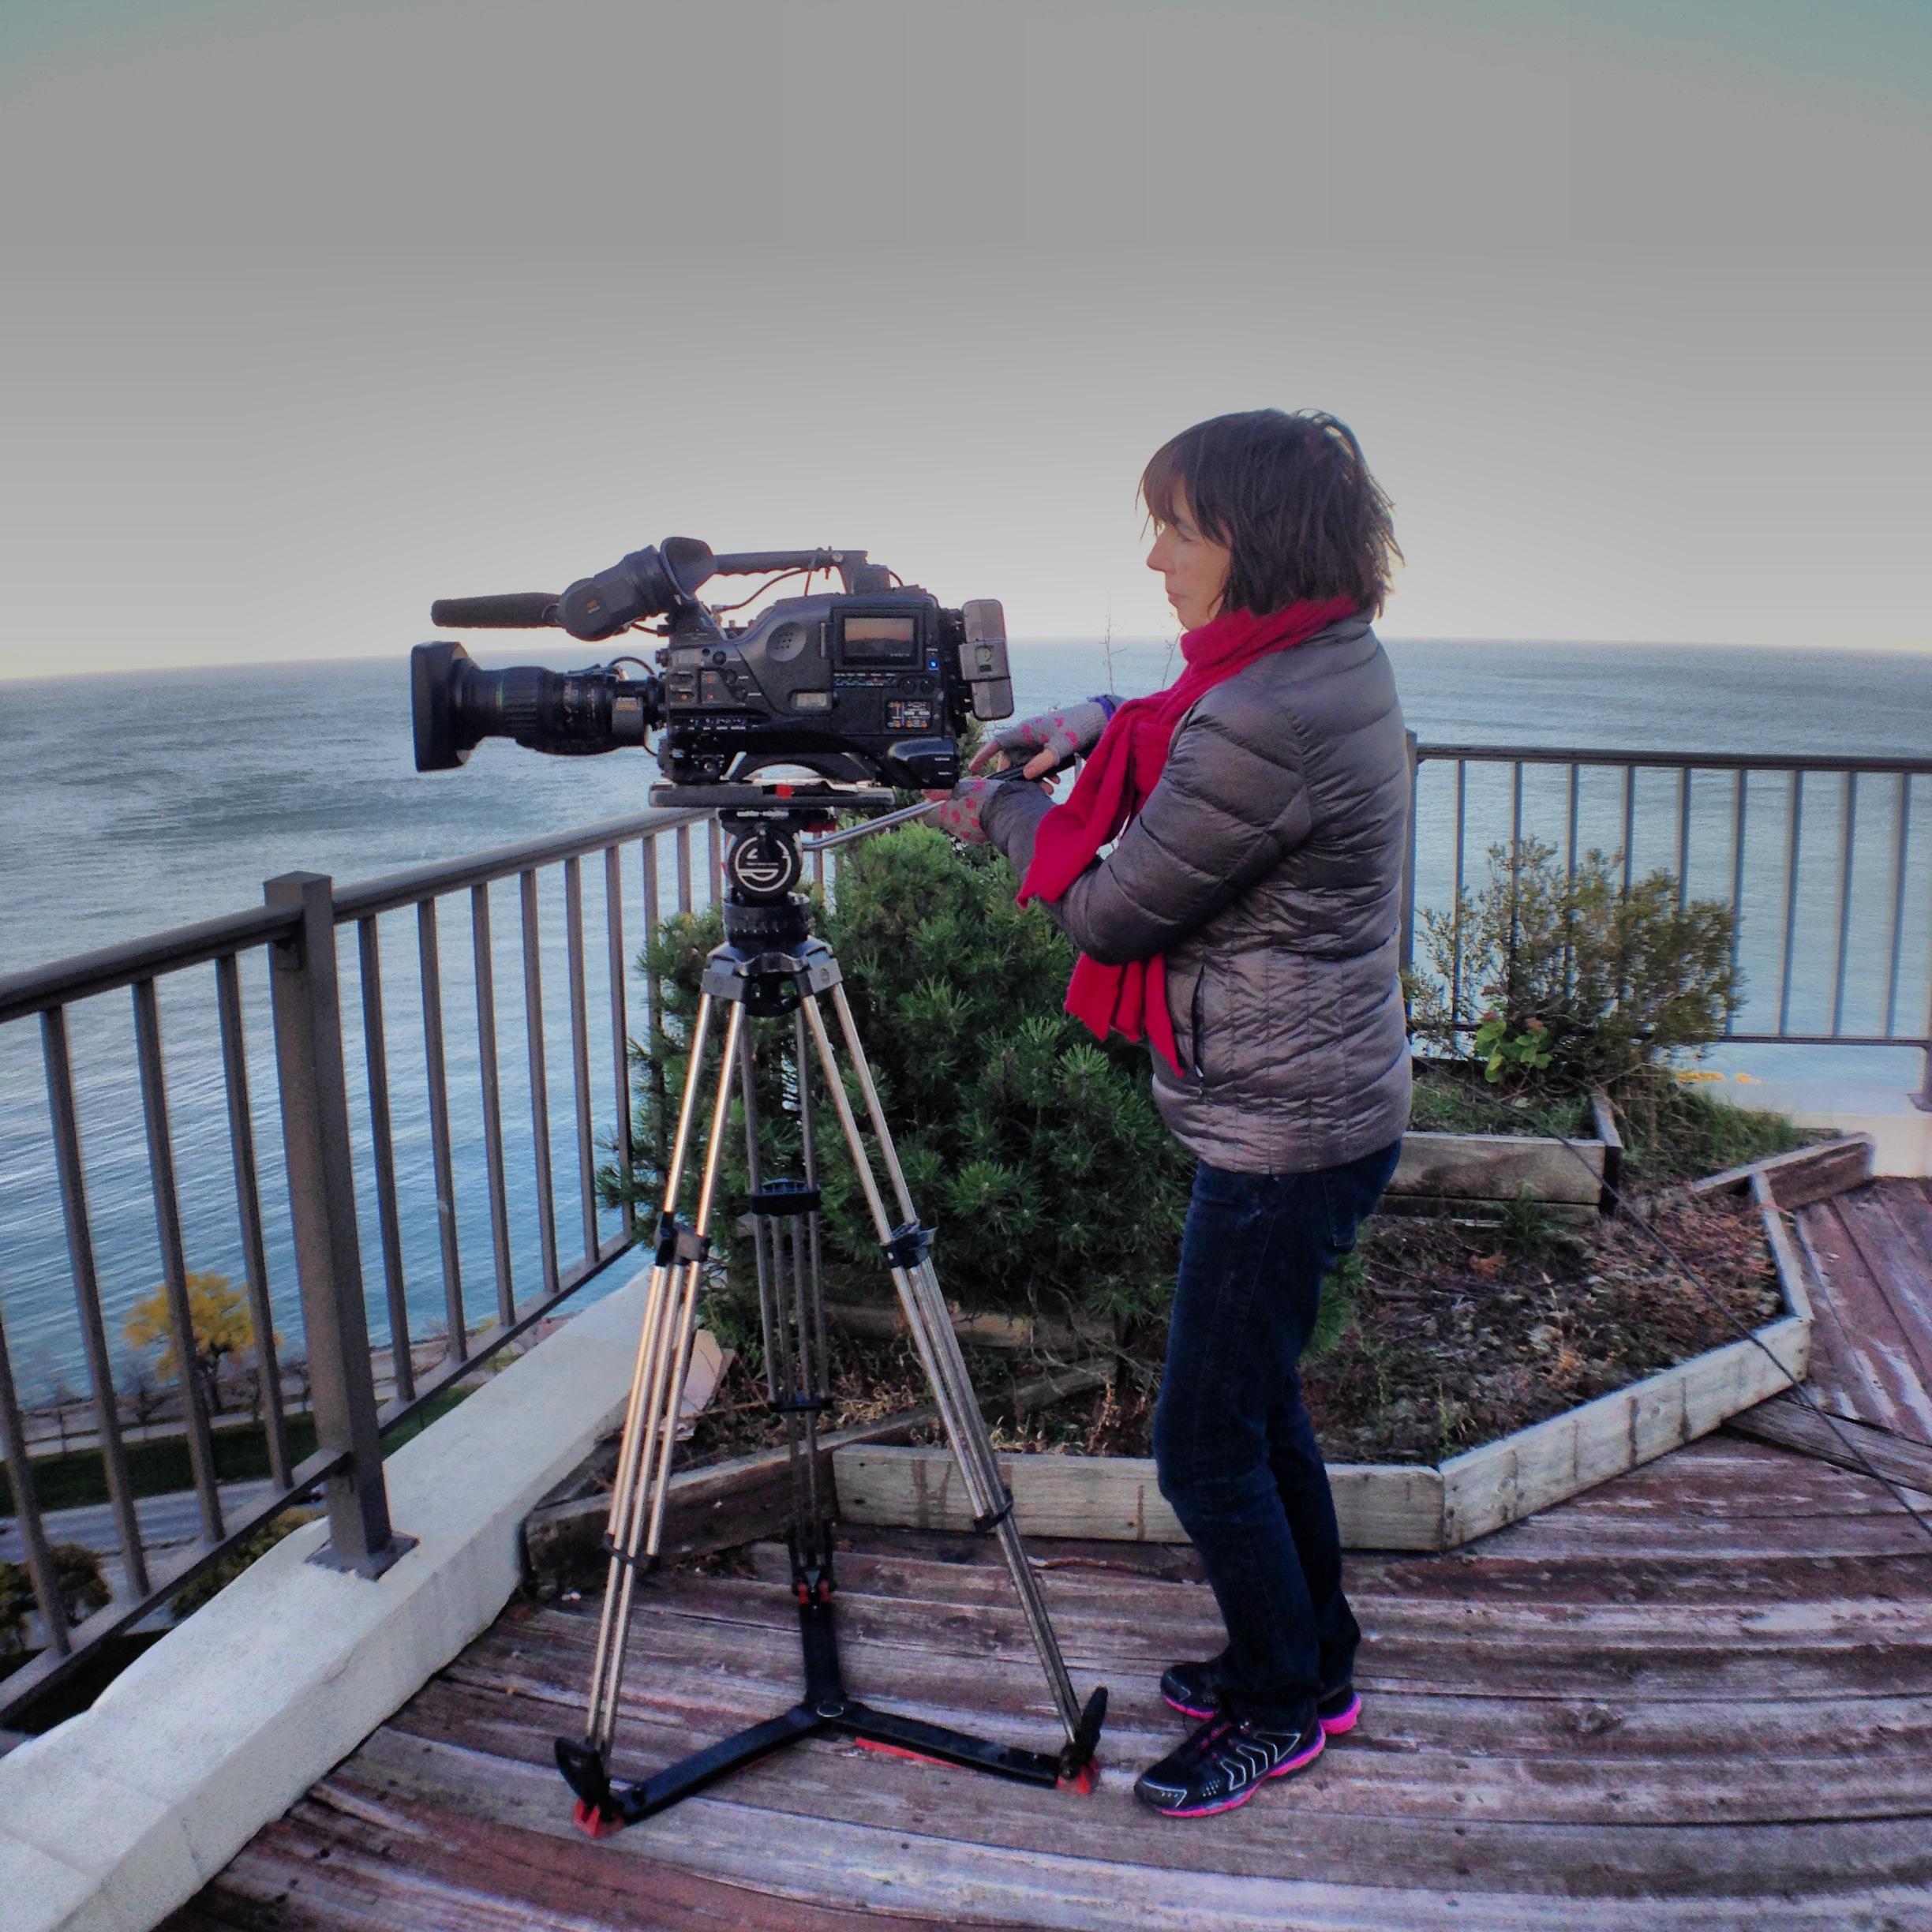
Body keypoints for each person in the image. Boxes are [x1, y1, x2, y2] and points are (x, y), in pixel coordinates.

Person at [935, 408, 1411, 1818]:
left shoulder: (1268, 714)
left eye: (1179, 530)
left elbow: (1113, 907)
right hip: (1318, 1104)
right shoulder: (1320, 659)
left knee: (1202, 1441)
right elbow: (1181, 725)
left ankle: (1282, 1706)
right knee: (1259, 1407)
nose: (1153, 559)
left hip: (1283, 1132)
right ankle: (1315, 1657)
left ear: (1251, 545)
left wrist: (994, 818)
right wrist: (1089, 726)